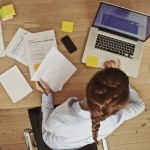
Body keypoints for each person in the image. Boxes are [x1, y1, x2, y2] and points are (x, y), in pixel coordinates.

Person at [35, 60, 145, 150]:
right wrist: (118, 82)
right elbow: (140, 106)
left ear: (88, 87)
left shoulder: (61, 118)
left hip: (53, 142)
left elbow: (47, 127)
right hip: (80, 139)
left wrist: (47, 94)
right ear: (121, 101)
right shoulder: (119, 116)